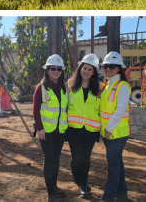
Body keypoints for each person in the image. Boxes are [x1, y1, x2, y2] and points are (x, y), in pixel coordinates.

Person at [33, 54, 69, 202]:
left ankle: (54, 187)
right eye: (53, 68)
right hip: (46, 131)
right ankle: (50, 193)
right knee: (49, 160)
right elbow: (35, 110)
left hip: (59, 132)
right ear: (47, 70)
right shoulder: (41, 88)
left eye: (59, 69)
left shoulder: (63, 88)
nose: (56, 71)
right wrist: (40, 129)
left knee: (56, 160)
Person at [67, 53, 102, 199]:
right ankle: (77, 178)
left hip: (91, 129)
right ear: (80, 68)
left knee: (85, 157)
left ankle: (83, 185)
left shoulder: (100, 87)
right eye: (84, 68)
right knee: (76, 158)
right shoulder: (70, 84)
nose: (86, 71)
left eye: (90, 69)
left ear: (94, 72)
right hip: (73, 128)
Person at [99, 52, 131, 202]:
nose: (108, 69)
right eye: (106, 66)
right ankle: (121, 192)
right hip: (110, 132)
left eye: (112, 66)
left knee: (113, 164)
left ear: (119, 68)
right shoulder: (108, 85)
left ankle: (108, 196)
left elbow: (120, 109)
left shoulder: (122, 86)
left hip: (116, 133)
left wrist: (109, 128)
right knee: (117, 162)